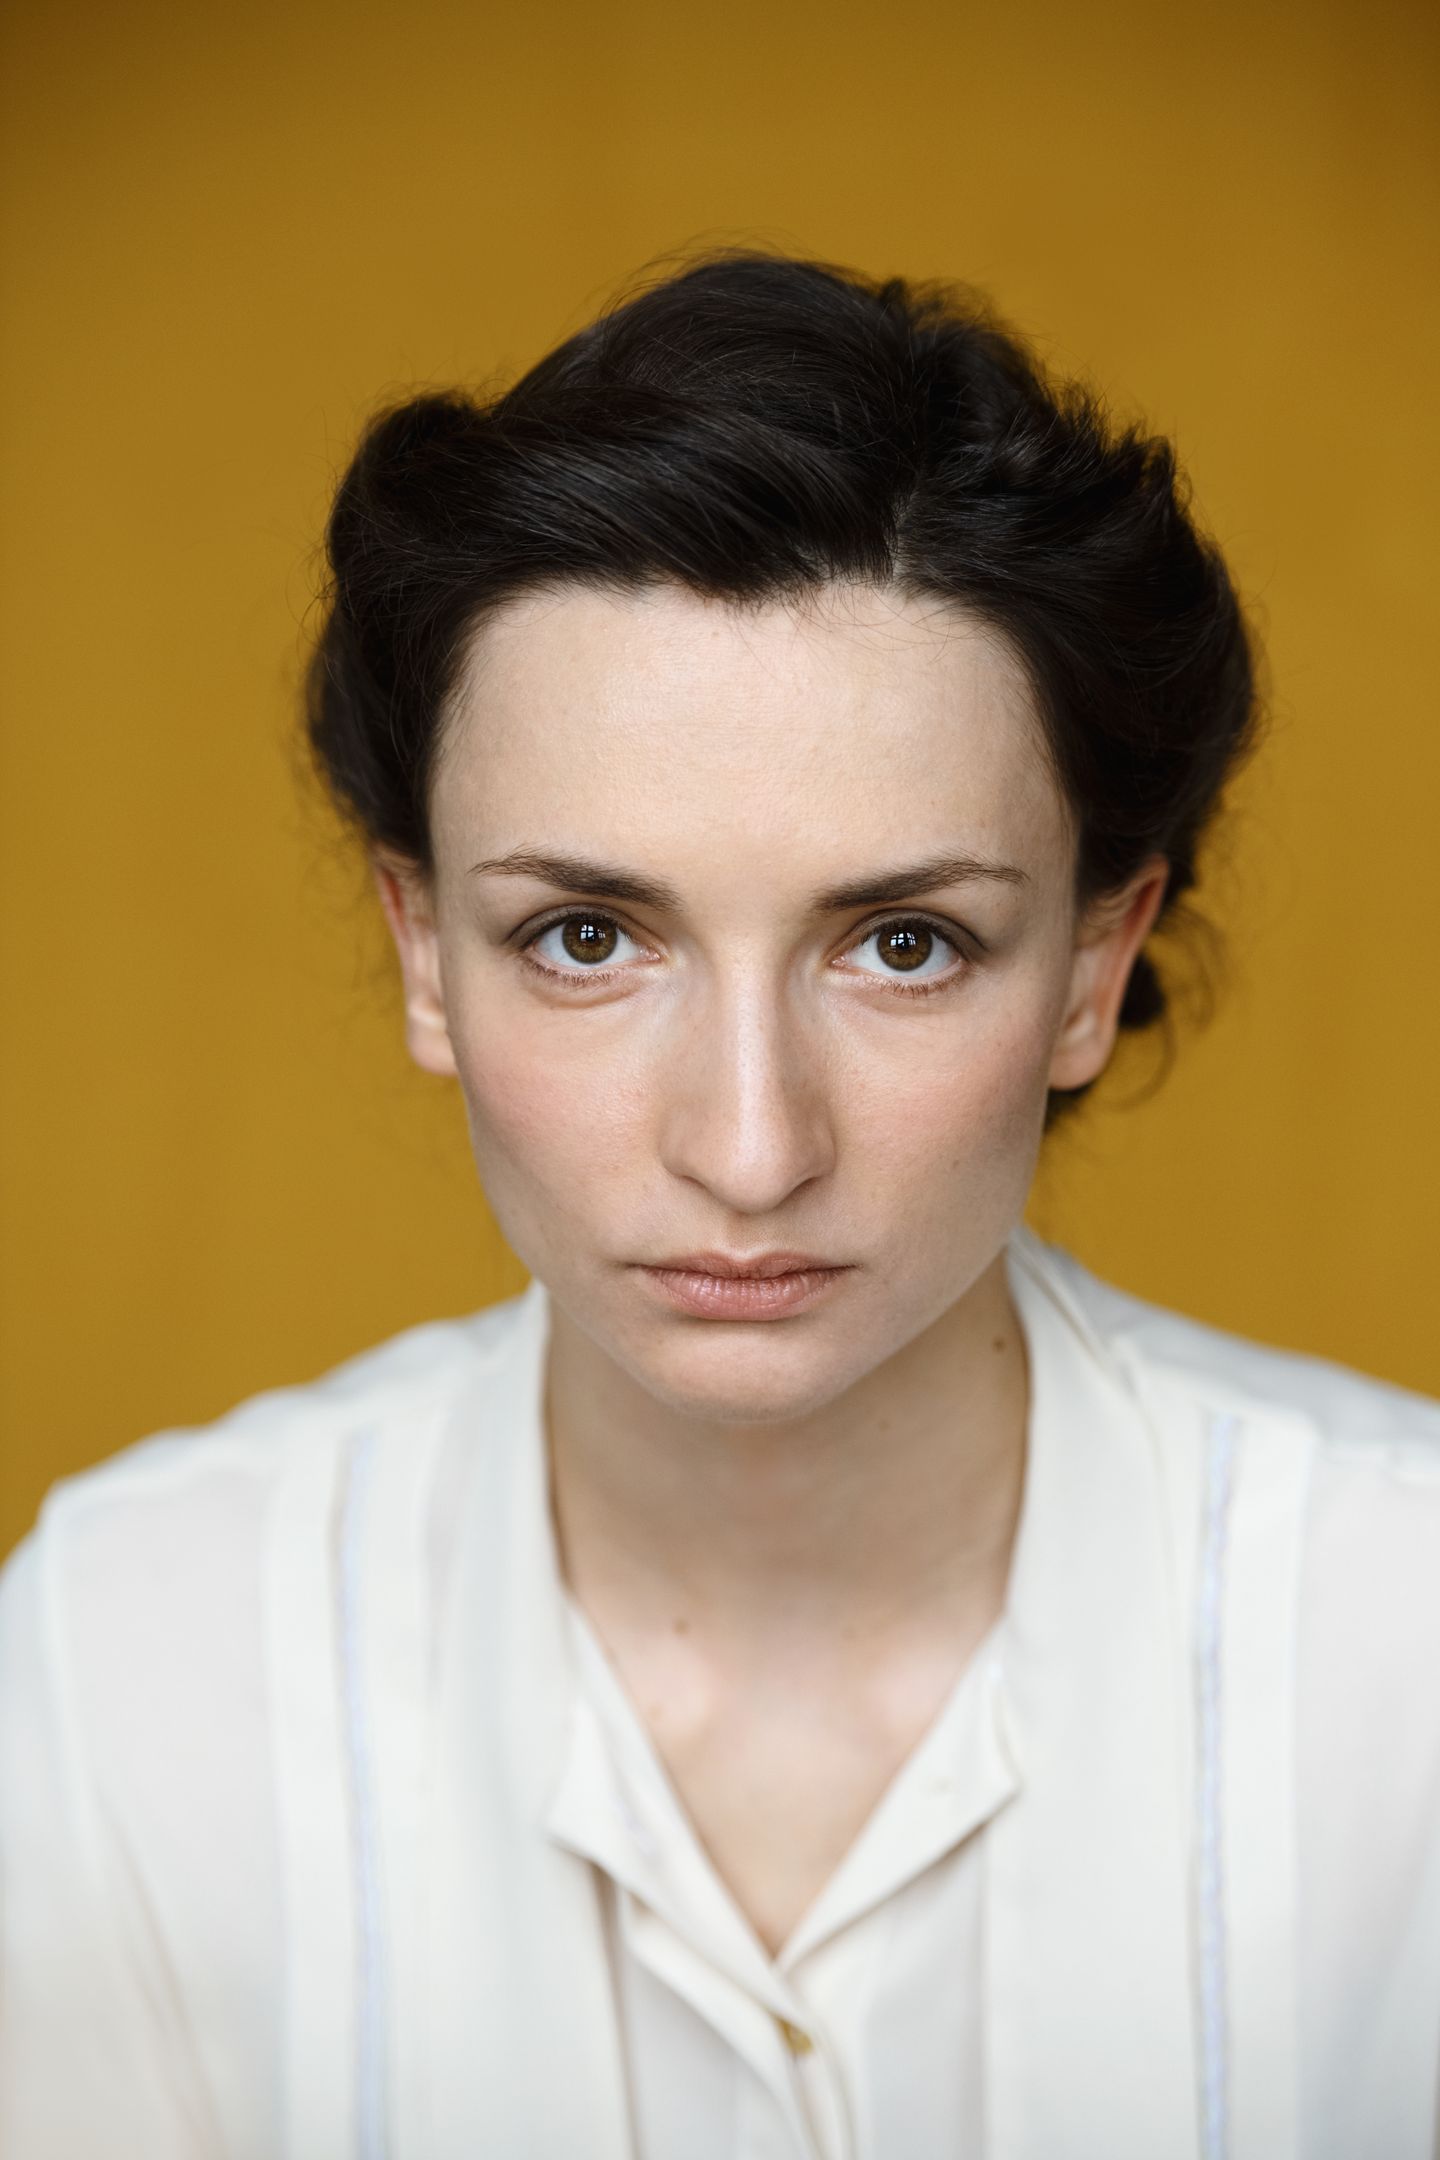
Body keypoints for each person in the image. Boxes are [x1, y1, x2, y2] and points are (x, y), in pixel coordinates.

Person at [1, 252, 1436, 2160]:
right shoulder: (128, 1662)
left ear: (1097, 964)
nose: (751, 1151)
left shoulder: (1408, 1651)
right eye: (587, 937)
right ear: (425, 952)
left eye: (905, 943)